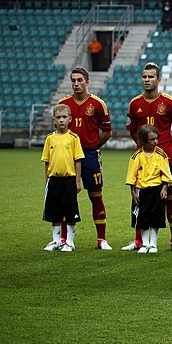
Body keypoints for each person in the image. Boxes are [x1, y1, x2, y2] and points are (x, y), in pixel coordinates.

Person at [124, 62, 172, 252]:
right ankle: (139, 241)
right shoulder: (135, 103)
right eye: (144, 77)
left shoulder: (169, 102)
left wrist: (169, 152)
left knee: (170, 198)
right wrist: (140, 147)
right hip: (142, 160)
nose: (147, 80)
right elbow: (132, 130)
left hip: (164, 159)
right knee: (140, 199)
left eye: (151, 77)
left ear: (158, 80)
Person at [58, 67, 112, 250]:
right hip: (67, 157)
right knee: (67, 198)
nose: (76, 84)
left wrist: (94, 145)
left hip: (89, 155)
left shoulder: (97, 104)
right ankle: (65, 239)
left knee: (96, 196)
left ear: (87, 82)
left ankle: (101, 239)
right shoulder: (64, 104)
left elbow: (107, 131)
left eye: (80, 80)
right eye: (73, 80)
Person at [41, 104, 84, 252]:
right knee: (54, 211)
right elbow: (46, 162)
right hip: (54, 180)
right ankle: (56, 240)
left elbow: (78, 161)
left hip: (69, 180)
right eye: (58, 117)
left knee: (70, 210)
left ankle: (70, 242)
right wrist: (47, 180)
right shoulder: (49, 139)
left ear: (70, 119)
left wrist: (77, 181)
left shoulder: (73, 138)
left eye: (64, 117)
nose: (61, 120)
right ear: (54, 120)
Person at [126, 125, 172, 254]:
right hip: (141, 190)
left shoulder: (161, 154)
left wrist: (164, 188)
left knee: (156, 217)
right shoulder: (136, 156)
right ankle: (144, 244)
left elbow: (166, 173)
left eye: (156, 139)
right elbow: (132, 176)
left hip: (157, 189)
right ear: (143, 140)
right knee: (143, 217)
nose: (155, 142)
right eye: (152, 139)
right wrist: (133, 193)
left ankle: (153, 244)